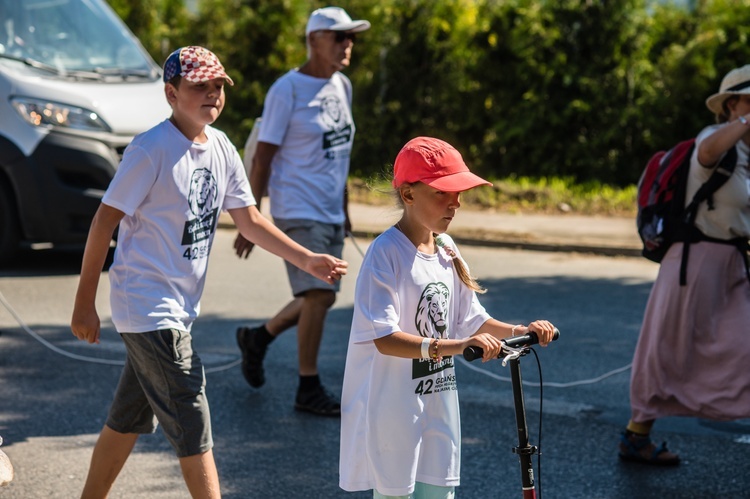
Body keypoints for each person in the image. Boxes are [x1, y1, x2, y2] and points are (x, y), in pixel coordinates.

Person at [70, 46, 347, 499]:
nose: (213, 94)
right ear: (171, 93)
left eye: (218, 86)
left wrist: (307, 260)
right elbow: (104, 222)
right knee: (192, 416)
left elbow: (251, 222)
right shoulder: (150, 149)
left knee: (127, 419)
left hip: (177, 309)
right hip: (147, 306)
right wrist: (84, 305)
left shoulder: (221, 147)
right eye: (200, 86)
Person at [338, 137, 557, 497]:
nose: (455, 203)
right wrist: (459, 345)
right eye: (443, 192)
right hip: (394, 414)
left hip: (438, 408)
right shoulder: (385, 253)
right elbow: (384, 338)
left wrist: (521, 330)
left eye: (459, 193)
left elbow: (473, 319)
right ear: (408, 195)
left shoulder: (446, 248)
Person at [233, 6, 370, 417]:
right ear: (313, 40)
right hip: (296, 206)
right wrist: (250, 217)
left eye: (351, 38)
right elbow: (262, 159)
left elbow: (339, 152)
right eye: (339, 37)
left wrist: (344, 207)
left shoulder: (341, 86)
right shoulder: (287, 90)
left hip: (329, 209)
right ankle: (307, 386)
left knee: (322, 297)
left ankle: (258, 337)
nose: (348, 45)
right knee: (317, 292)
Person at [619, 64, 750, 466]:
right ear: (732, 105)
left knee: (740, 345)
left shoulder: (747, 152)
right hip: (694, 262)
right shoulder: (717, 139)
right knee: (668, 347)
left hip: (730, 262)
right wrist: (747, 121)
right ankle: (637, 435)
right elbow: (706, 154)